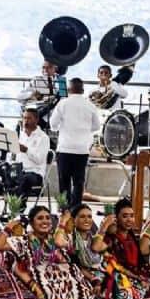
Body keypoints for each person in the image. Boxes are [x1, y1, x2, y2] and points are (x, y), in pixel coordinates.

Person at [50, 77, 100, 208]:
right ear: (82, 90)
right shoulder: (90, 105)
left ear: (69, 89)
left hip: (65, 148)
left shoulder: (63, 104)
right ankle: (76, 209)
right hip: (82, 149)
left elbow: (53, 125)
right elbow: (96, 126)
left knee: (64, 181)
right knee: (79, 182)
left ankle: (64, 209)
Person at [13, 108, 50, 201]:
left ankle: (19, 208)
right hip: (20, 169)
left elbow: (39, 160)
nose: (26, 121)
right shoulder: (20, 134)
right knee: (3, 174)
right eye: (24, 118)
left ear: (36, 120)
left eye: (29, 118)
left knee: (25, 179)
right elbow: (15, 157)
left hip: (35, 173)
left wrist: (26, 150)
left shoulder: (43, 137)